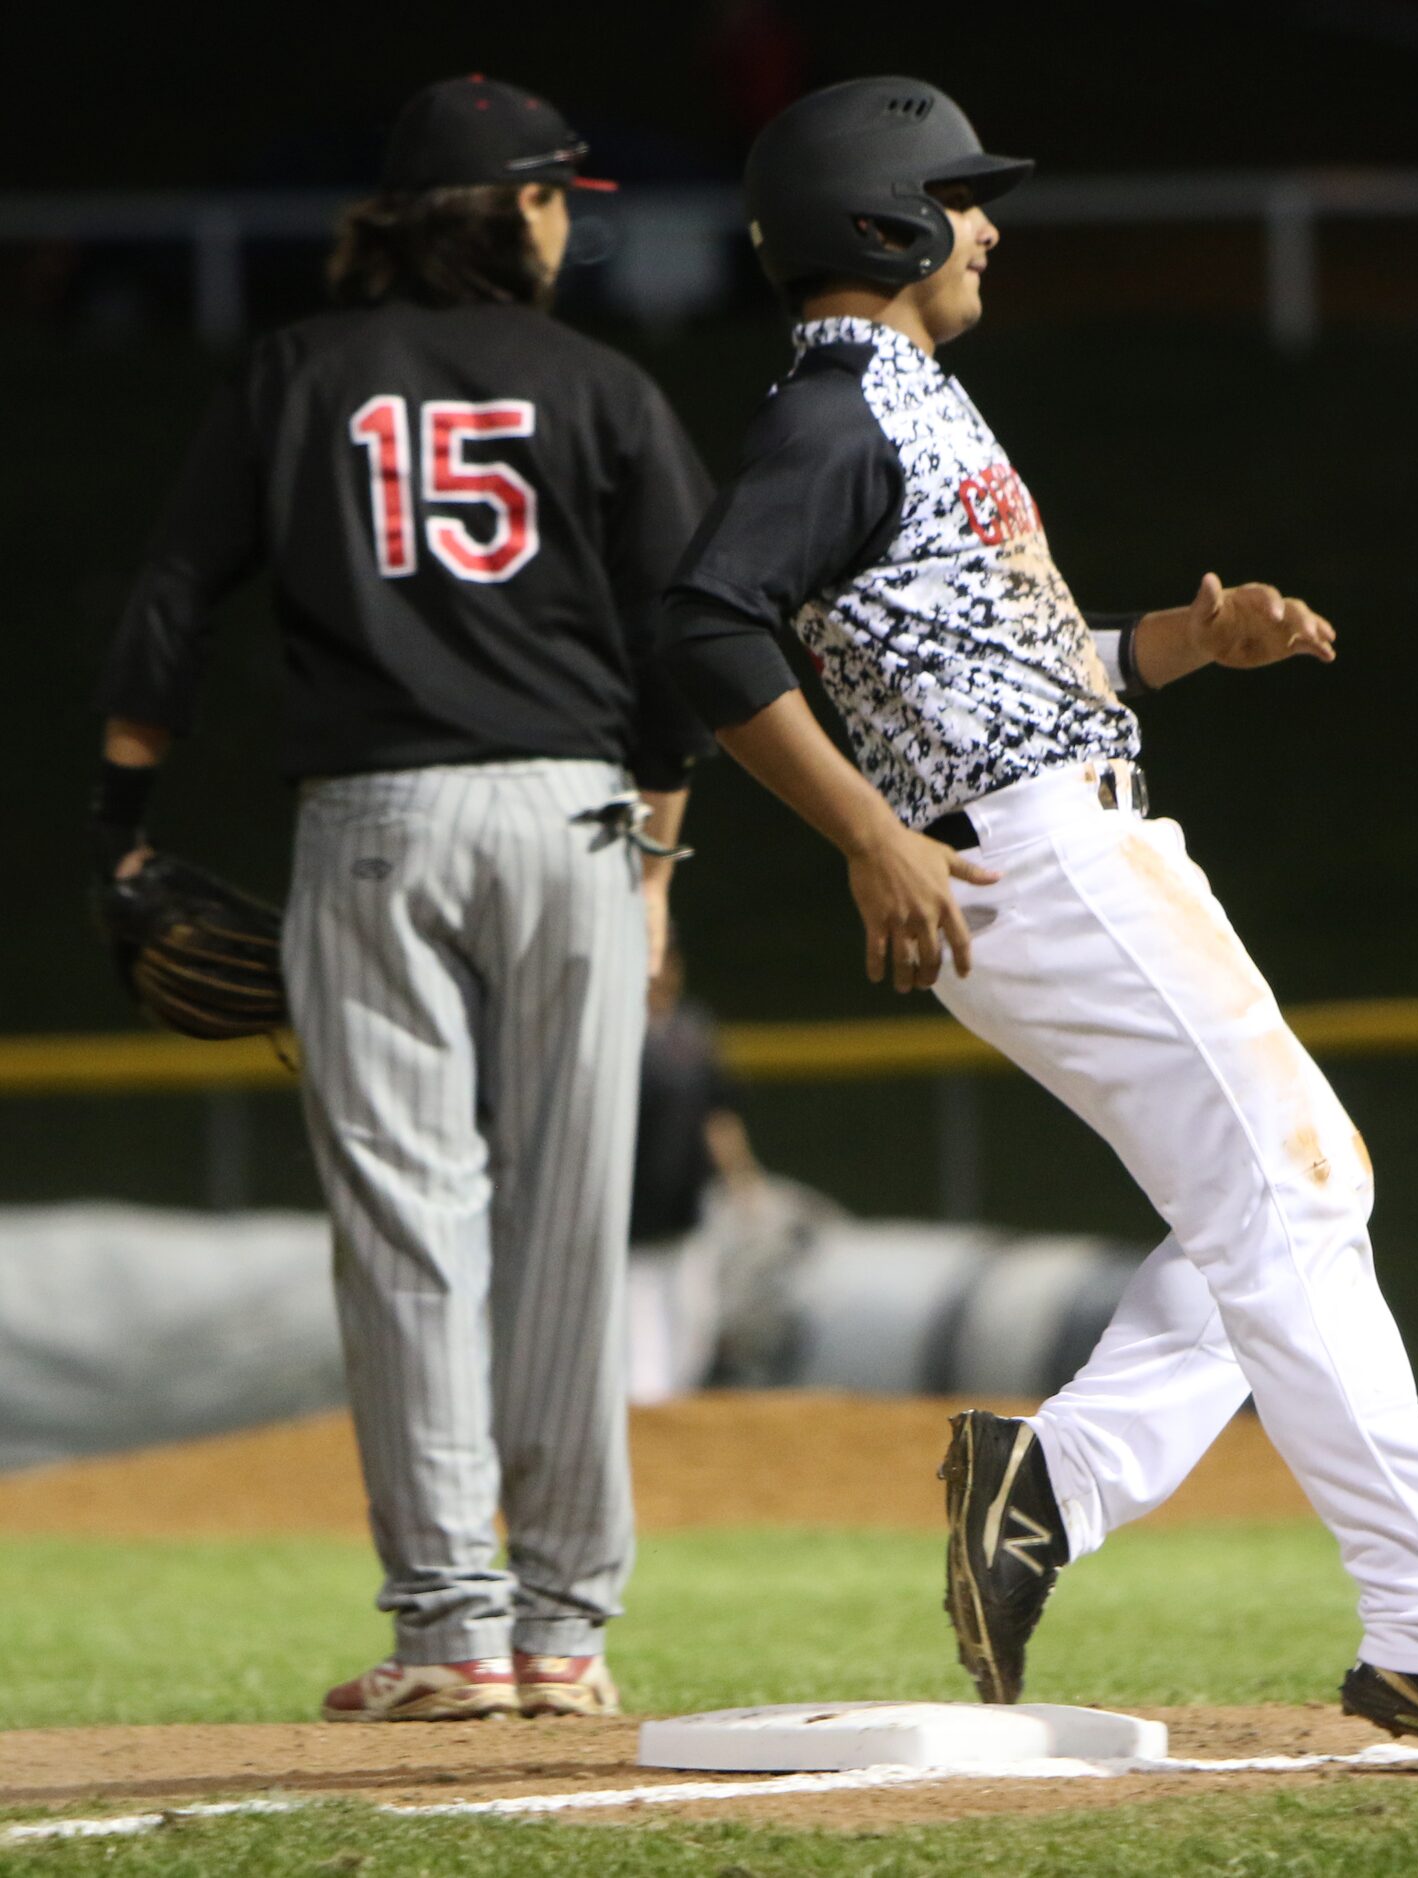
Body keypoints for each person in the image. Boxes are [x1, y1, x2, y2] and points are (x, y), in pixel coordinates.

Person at [661, 75, 1418, 1769]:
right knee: (1289, 1193)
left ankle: (1060, 1482)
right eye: (958, 199)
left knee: (1298, 1184)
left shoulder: (903, 400)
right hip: (1039, 864)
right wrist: (866, 835)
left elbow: (1000, 680)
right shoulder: (839, 413)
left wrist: (1184, 646)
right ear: (879, 225)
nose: (986, 227)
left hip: (1066, 839)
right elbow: (704, 623)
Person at [90, 75, 714, 1722]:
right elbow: (692, 653)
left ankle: (450, 1632)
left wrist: (126, 824)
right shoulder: (603, 389)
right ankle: (566, 1631)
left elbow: (173, 595)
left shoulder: (294, 372)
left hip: (374, 821)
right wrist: (651, 864)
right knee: (569, 1224)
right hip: (573, 818)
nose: (572, 218)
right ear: (513, 210)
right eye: (559, 196)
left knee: (404, 1231)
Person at [627, 933, 764, 1402]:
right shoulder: (614, 1032)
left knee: (695, 1326)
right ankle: (650, 1436)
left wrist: (742, 1178)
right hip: (632, 1221)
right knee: (641, 1348)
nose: (659, 972)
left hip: (688, 1212)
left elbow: (718, 1113)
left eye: (667, 960)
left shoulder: (691, 1030)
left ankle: (676, 1429)